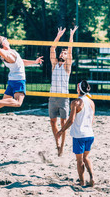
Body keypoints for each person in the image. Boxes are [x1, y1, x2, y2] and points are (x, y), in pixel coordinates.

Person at [0, 33, 43, 127]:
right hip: (18, 80)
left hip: (12, 80)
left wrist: (34, 62)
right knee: (18, 103)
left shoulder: (11, 52)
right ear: (3, 44)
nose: (7, 39)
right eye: (4, 39)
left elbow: (20, 62)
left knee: (3, 102)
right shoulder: (5, 53)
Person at [56, 80, 95, 187]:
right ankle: (92, 177)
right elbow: (92, 119)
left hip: (79, 135)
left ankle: (82, 182)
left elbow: (71, 120)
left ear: (78, 88)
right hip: (90, 134)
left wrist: (61, 130)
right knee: (86, 158)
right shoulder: (91, 102)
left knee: (79, 160)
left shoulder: (76, 102)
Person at [49, 26, 78, 156]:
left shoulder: (67, 67)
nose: (62, 54)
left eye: (64, 53)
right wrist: (58, 36)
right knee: (53, 122)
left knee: (63, 123)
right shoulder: (54, 64)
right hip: (52, 97)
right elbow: (52, 49)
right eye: (62, 52)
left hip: (63, 98)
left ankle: (62, 147)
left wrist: (71, 35)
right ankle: (57, 144)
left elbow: (71, 50)